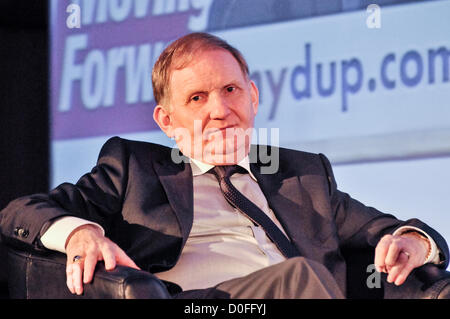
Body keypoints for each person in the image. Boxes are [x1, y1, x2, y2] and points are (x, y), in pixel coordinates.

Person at [0, 32, 448, 299]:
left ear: (253, 97)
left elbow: (383, 229)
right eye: (197, 98)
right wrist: (81, 232)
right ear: (167, 121)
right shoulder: (134, 166)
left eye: (231, 91)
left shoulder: (303, 174)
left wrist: (411, 240)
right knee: (301, 278)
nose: (220, 110)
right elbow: (20, 212)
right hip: (202, 303)